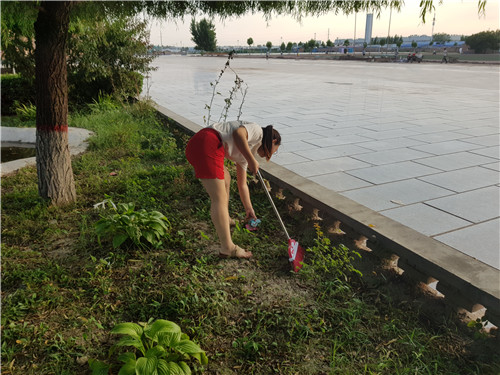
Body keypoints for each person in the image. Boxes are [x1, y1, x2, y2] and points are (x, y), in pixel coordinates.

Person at [185, 121, 281, 259]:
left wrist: (249, 209)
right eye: (274, 150)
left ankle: (226, 219)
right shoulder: (258, 131)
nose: (270, 155)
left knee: (226, 178)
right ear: (273, 140)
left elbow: (242, 185)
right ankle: (228, 248)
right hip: (208, 143)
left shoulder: (247, 154)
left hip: (204, 145)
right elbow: (238, 133)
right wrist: (251, 160)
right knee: (219, 198)